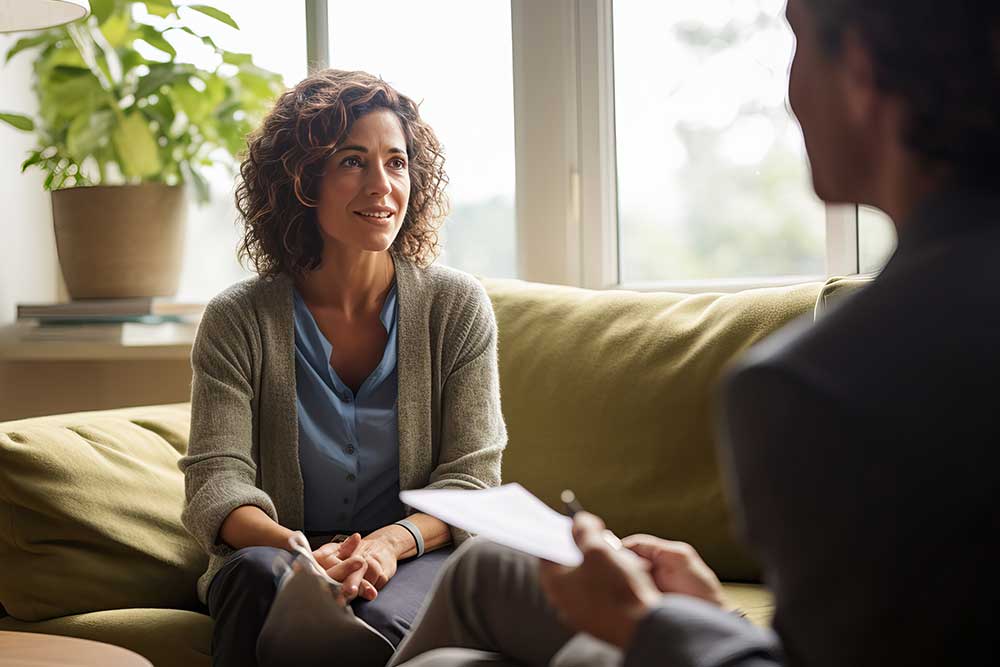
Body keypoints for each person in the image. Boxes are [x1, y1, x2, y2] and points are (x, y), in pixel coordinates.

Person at [387, 0, 1000, 665]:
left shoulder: (817, 388)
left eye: (795, 44)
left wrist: (643, 621)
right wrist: (714, 615)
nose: (790, 94)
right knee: (484, 572)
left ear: (858, 71)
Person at [178, 69, 506, 667]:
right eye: (353, 162)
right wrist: (297, 550)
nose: (383, 186)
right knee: (258, 581)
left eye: (397, 163)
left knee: (376, 620)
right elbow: (215, 484)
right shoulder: (237, 318)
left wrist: (387, 544)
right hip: (274, 555)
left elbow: (472, 482)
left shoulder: (455, 307)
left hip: (415, 557)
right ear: (302, 181)